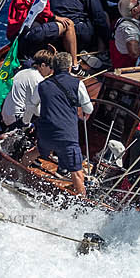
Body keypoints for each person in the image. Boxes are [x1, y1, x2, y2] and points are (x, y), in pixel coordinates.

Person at [32, 52, 92, 197]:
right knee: (77, 174)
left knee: (34, 153)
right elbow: (89, 109)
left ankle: (18, 171)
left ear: (54, 67)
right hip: (67, 137)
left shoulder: (42, 85)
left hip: (45, 134)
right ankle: (83, 204)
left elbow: (33, 105)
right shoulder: (78, 84)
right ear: (70, 67)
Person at [6, 0, 79, 64]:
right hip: (33, 33)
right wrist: (56, 18)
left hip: (19, 38)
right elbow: (44, 12)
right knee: (69, 24)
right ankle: (75, 64)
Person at [0, 48, 53, 130]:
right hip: (17, 121)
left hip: (6, 116)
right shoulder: (38, 80)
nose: (51, 71)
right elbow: (38, 111)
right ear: (42, 65)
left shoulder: (23, 72)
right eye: (51, 67)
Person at [109, 0, 140, 67]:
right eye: (138, 3)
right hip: (128, 69)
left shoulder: (120, 21)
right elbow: (134, 53)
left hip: (120, 65)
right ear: (134, 10)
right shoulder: (129, 28)